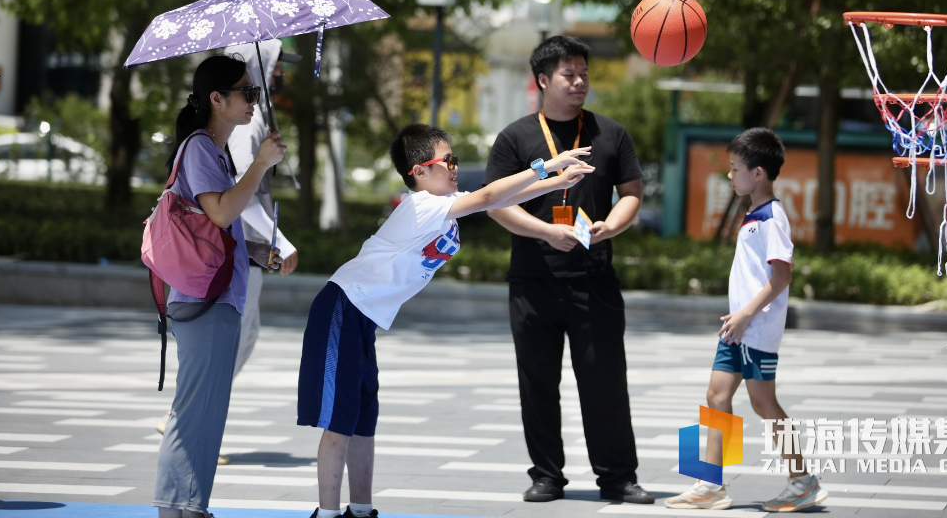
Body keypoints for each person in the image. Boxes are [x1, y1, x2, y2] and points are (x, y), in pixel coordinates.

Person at [297, 123, 594, 518]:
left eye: (454, 160)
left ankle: (362, 509)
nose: (454, 168)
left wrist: (558, 179)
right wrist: (547, 166)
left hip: (363, 317)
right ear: (419, 172)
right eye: (447, 161)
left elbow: (498, 199)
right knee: (339, 420)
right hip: (342, 307)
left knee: (363, 418)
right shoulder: (422, 206)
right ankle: (328, 513)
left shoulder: (445, 205)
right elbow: (491, 194)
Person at [483, 35, 652, 504]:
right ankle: (547, 476)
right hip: (533, 279)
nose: (579, 83)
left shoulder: (610, 134)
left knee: (604, 380)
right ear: (542, 80)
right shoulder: (516, 137)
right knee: (537, 381)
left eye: (584, 74)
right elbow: (495, 204)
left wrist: (611, 226)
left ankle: (618, 478)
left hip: (593, 278)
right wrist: (544, 233)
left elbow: (633, 192)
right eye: (568, 74)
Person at [663, 128, 828, 513]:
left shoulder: (772, 217)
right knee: (716, 396)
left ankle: (803, 481)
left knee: (763, 403)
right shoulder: (754, 214)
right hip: (737, 327)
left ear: (758, 173)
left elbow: (782, 277)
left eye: (735, 169)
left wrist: (746, 315)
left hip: (754, 328)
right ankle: (709, 484)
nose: (729, 175)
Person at [152, 54, 287, 518]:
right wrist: (262, 164)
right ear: (216, 98)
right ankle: (177, 508)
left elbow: (216, 226)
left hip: (215, 295)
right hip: (204, 300)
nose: (253, 100)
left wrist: (251, 252)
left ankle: (191, 506)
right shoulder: (200, 148)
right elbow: (223, 212)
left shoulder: (213, 149)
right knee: (193, 416)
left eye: (254, 91)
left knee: (207, 414)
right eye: (245, 93)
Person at [225, 40, 302, 379]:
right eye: (277, 63)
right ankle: (184, 413)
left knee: (246, 334)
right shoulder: (248, 124)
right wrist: (280, 243)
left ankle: (186, 411)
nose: (282, 72)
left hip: (248, 248)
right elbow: (243, 194)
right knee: (236, 335)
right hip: (242, 247)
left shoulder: (253, 120)